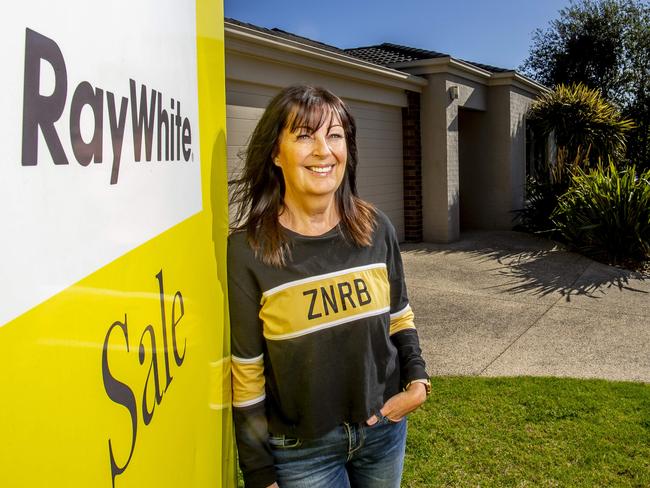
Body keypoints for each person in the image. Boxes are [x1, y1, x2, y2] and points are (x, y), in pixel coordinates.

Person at [228, 84, 430, 488]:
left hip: (383, 430)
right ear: (275, 152)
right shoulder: (247, 251)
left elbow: (399, 315)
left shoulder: (376, 229)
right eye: (304, 135)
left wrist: (417, 381)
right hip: (302, 452)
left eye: (334, 135)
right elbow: (247, 374)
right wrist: (259, 471)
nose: (323, 150)